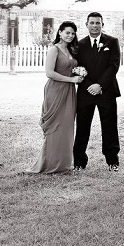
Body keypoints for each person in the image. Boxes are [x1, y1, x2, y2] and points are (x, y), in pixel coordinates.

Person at [27, 21, 82, 174]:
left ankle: (63, 164)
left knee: (66, 126)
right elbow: (49, 73)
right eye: (67, 33)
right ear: (60, 32)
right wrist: (71, 79)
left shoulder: (72, 50)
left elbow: (71, 69)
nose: (70, 36)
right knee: (55, 126)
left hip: (69, 92)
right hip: (56, 90)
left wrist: (78, 75)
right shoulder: (54, 50)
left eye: (73, 33)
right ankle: (50, 164)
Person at [73, 12, 121, 171]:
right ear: (86, 24)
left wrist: (99, 85)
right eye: (92, 23)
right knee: (82, 127)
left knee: (110, 126)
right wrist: (89, 85)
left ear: (102, 25)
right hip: (85, 92)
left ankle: (112, 161)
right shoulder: (79, 44)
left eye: (98, 23)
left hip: (106, 91)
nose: (95, 26)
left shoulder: (112, 42)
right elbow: (77, 67)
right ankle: (79, 162)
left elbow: (114, 66)